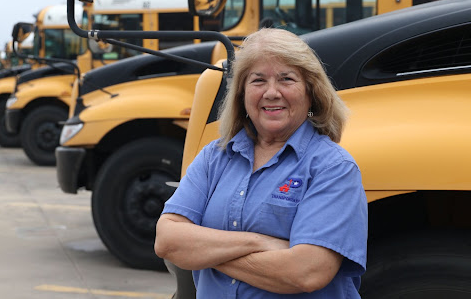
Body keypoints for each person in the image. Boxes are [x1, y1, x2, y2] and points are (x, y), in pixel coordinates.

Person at [155, 28, 368, 298]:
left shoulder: (333, 168)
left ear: (311, 92)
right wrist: (260, 242)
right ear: (242, 94)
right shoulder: (214, 157)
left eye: (286, 79)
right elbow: (167, 241)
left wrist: (203, 253)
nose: (271, 93)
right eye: (258, 81)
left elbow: (307, 272)